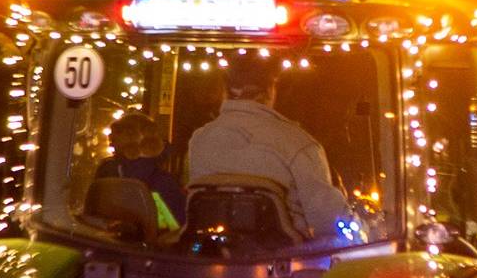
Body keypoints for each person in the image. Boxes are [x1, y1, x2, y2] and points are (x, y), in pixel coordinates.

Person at [185, 57, 350, 239]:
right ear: (270, 91)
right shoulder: (299, 143)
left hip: (211, 254)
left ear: (225, 91)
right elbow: (328, 221)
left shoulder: (199, 140)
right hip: (285, 259)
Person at [97, 112, 187, 226]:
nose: (111, 143)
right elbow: (176, 226)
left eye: (115, 137)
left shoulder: (107, 172)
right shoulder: (163, 181)